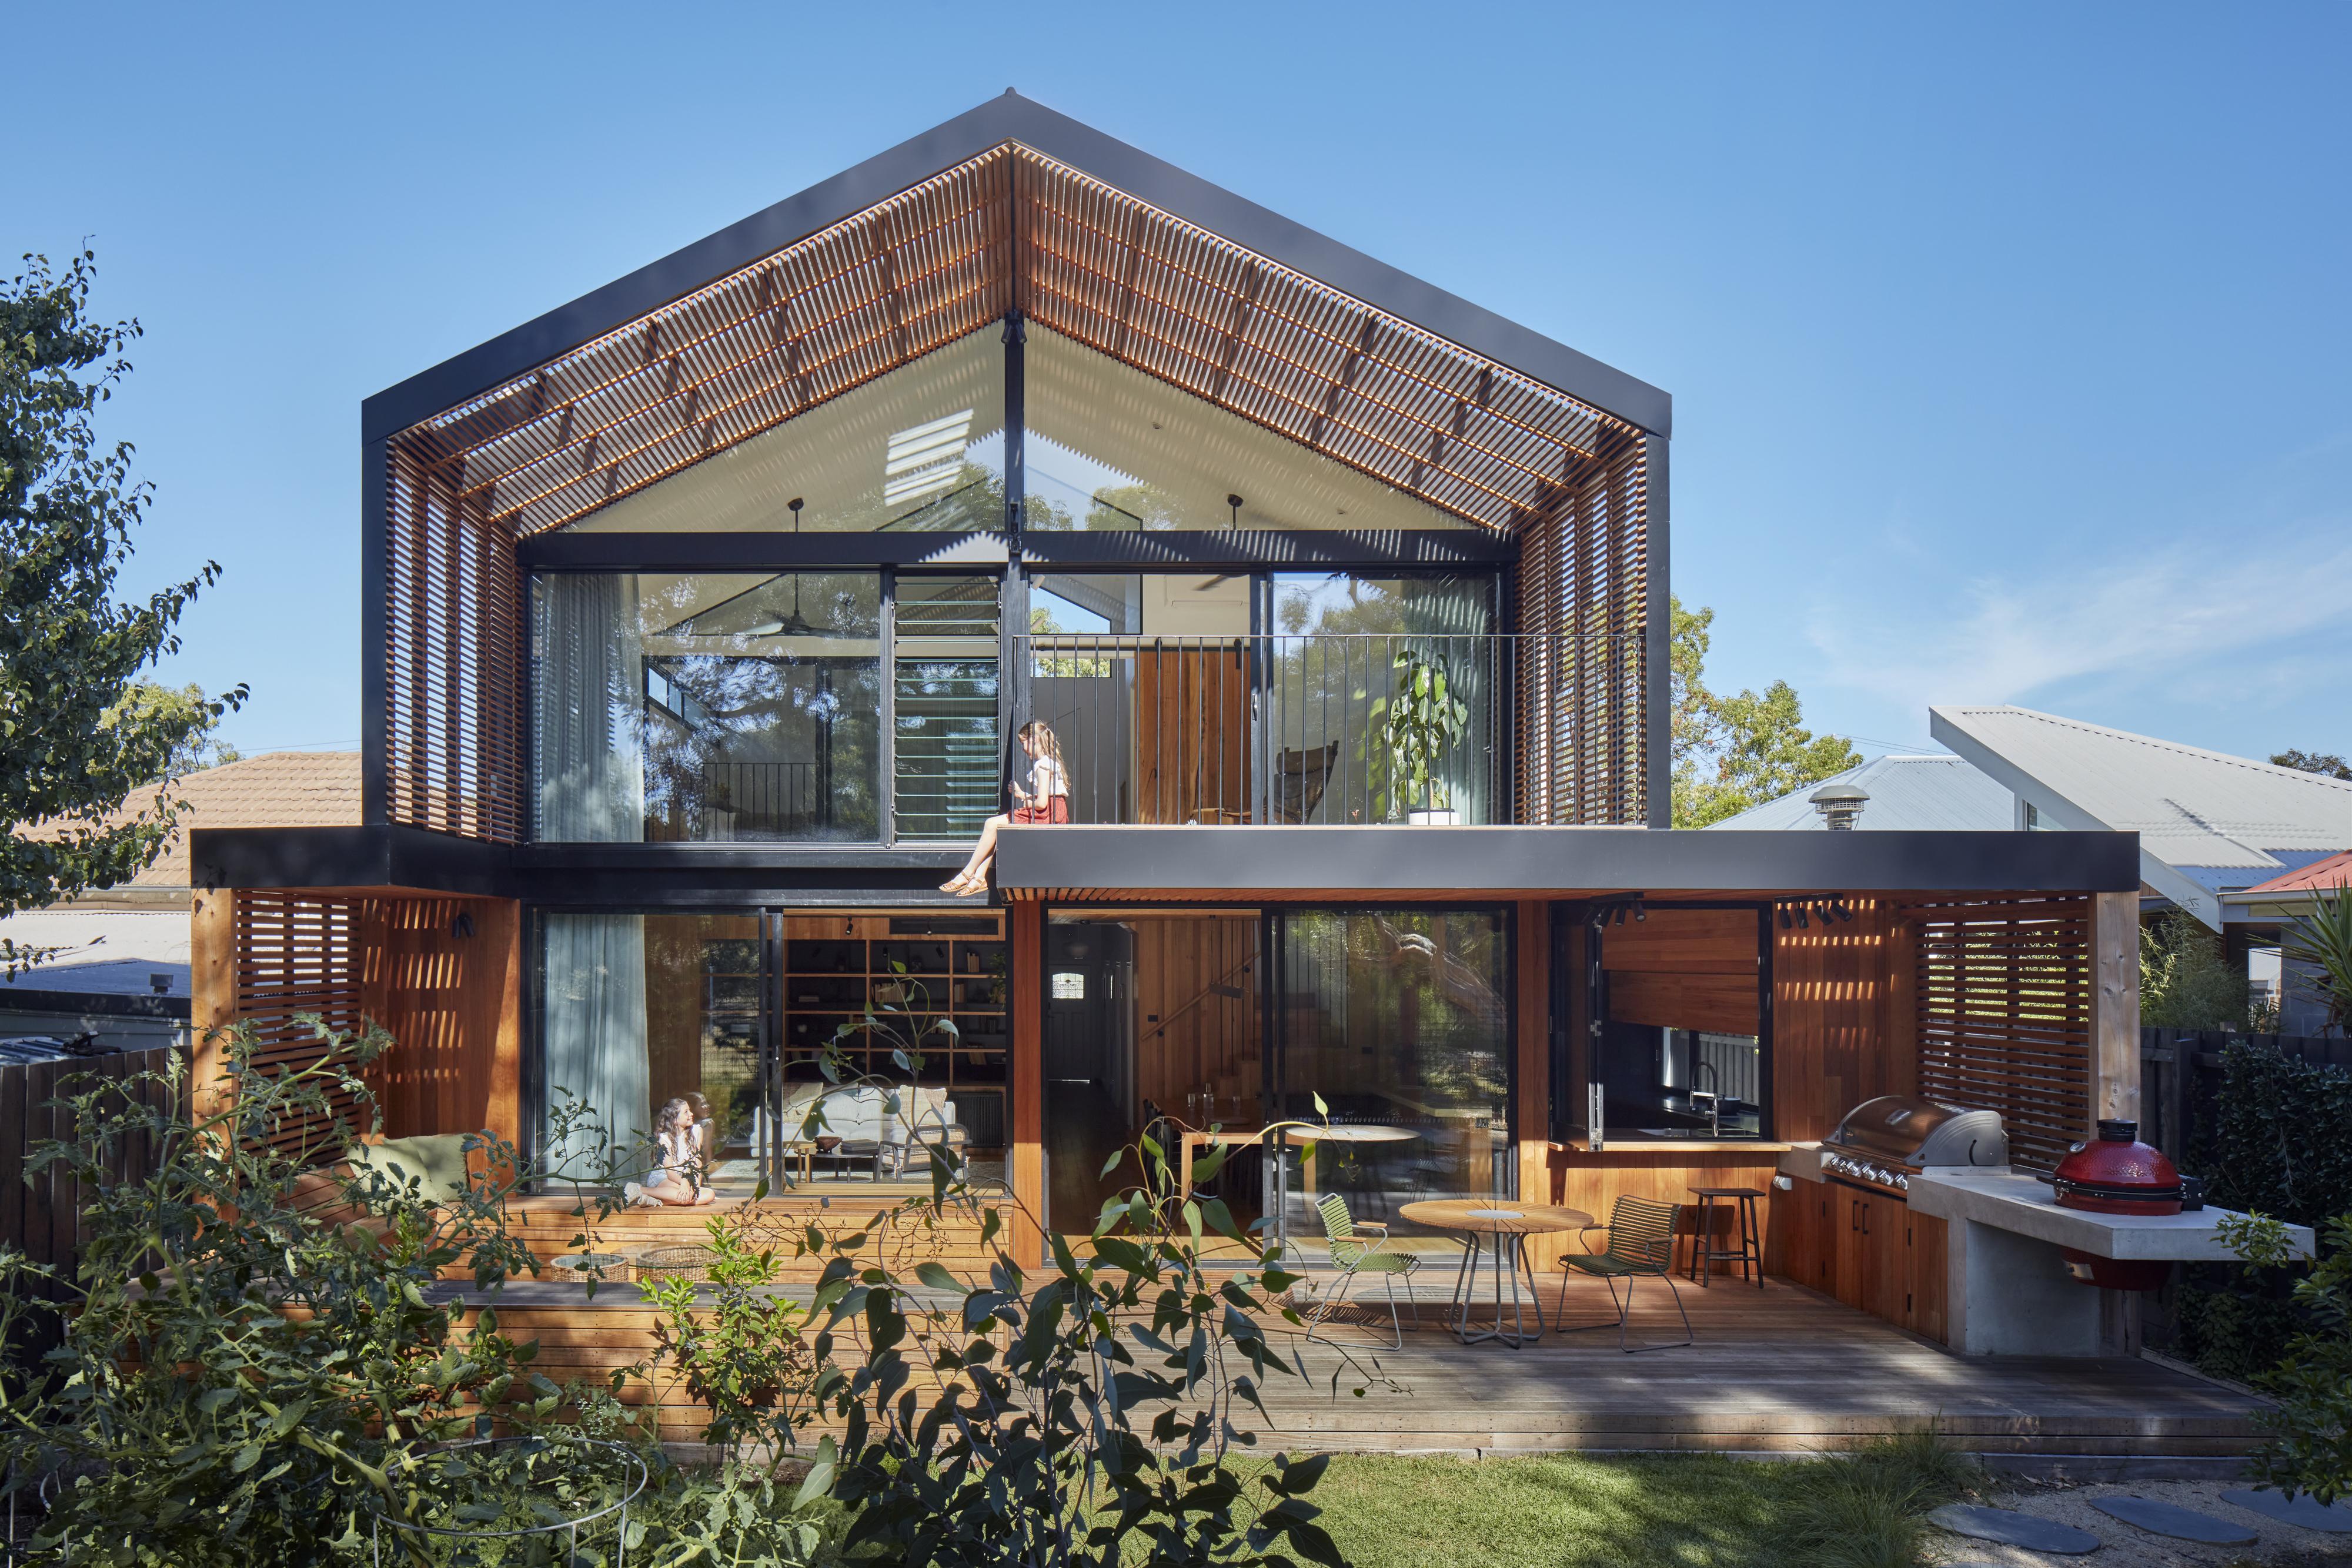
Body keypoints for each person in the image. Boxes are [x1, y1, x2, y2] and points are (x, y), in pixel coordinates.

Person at [942, 720, 1067, 895]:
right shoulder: (1048, 763)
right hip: (1054, 812)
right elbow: (1048, 799)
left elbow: (1042, 804)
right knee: (996, 829)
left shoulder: (1043, 765)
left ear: (1033, 740)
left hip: (1048, 814)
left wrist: (1025, 799)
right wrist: (1022, 794)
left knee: (991, 824)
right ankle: (979, 878)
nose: (1023, 749)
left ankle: (968, 873)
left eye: (1023, 743)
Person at [625, 1096, 717, 1206]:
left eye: (690, 1111)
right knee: (686, 1196)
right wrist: (684, 1182)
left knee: (709, 1194)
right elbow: (670, 1173)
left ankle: (655, 1200)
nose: (691, 1114)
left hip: (684, 1179)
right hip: (664, 1178)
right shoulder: (665, 1139)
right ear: (674, 1119)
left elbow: (696, 1162)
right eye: (686, 1112)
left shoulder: (697, 1131)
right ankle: (639, 1189)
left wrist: (693, 1187)